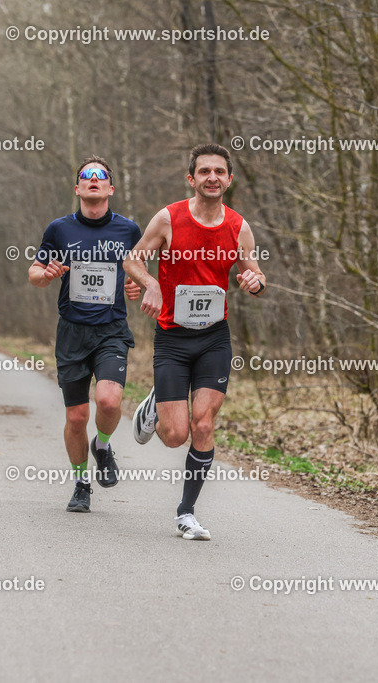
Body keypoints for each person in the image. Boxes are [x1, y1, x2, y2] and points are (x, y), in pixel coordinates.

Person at [124, 143, 266, 541]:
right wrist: (150, 282)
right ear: (192, 178)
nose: (212, 178)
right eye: (204, 171)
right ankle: (154, 403)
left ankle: (186, 512)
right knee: (175, 436)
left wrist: (255, 281)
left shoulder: (239, 226)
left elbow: (253, 271)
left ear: (229, 179)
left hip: (214, 339)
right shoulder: (169, 218)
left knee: (204, 424)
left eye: (219, 172)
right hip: (172, 338)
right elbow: (133, 259)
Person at [29, 156, 142, 513]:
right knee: (76, 417)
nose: (93, 180)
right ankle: (81, 484)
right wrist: (45, 274)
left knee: (108, 401)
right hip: (72, 332)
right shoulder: (59, 229)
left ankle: (103, 446)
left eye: (100, 176)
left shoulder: (129, 230)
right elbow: (34, 271)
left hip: (111, 330)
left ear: (110, 187)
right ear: (77, 188)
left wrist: (139, 287)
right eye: (86, 176)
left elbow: (141, 272)